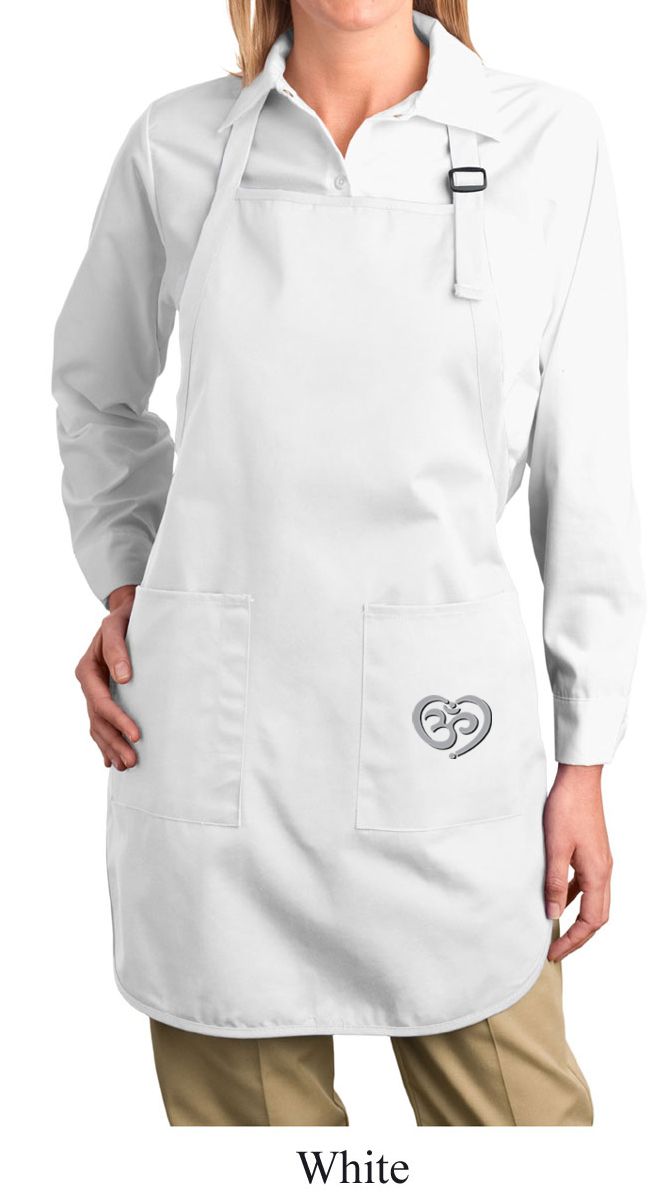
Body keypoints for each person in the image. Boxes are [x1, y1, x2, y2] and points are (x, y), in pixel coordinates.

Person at [51, 0, 644, 1126]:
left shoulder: (546, 140)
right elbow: (95, 392)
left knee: (529, 1144)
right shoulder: (177, 143)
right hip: (216, 750)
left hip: (449, 746)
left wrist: (587, 756)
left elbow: (589, 471)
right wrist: (131, 583)